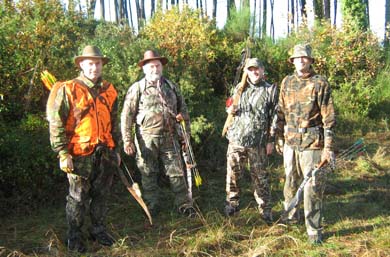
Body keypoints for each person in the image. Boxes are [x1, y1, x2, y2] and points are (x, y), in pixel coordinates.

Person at [46, 45, 120, 252]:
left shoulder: (110, 89)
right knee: (77, 198)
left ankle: (98, 231)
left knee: (101, 194)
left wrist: (116, 150)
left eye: (97, 63)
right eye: (90, 63)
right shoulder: (68, 89)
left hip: (105, 152)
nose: (94, 67)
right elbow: (56, 122)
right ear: (81, 65)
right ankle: (75, 236)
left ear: (102, 65)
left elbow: (114, 123)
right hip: (78, 154)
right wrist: (62, 153)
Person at [273, 43, 336, 244]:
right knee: (290, 181)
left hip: (313, 143)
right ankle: (291, 217)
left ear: (310, 61)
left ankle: (313, 230)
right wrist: (278, 138)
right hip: (290, 142)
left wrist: (328, 149)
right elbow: (280, 111)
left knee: (312, 187)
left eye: (304, 58)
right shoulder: (287, 82)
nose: (301, 61)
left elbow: (329, 119)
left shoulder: (320, 83)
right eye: (297, 58)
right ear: (293, 61)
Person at [120, 50, 195, 219]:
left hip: (171, 137)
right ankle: (152, 207)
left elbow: (183, 111)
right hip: (146, 139)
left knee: (176, 172)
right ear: (144, 69)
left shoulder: (171, 86)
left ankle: (184, 205)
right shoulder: (137, 88)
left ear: (162, 67)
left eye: (158, 65)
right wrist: (127, 140)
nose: (155, 69)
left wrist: (186, 136)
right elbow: (127, 115)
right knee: (148, 172)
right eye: (151, 66)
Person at [224, 58, 279, 223]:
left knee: (260, 178)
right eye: (251, 69)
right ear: (246, 72)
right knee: (233, 175)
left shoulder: (270, 90)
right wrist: (229, 108)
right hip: (236, 140)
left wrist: (271, 140)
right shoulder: (239, 88)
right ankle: (232, 204)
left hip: (258, 142)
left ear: (263, 70)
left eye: (257, 69)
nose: (254, 72)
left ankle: (265, 209)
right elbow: (229, 106)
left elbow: (275, 117)